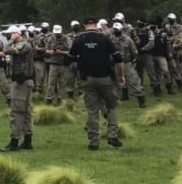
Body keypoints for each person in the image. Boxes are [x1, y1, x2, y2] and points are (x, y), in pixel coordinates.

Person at [69, 19, 125, 151]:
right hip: (105, 78)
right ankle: (112, 135)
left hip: (87, 79)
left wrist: (78, 69)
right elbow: (118, 59)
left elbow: (70, 59)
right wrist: (121, 76)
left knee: (92, 110)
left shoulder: (79, 40)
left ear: (84, 26)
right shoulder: (104, 39)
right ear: (96, 26)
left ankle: (94, 141)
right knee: (112, 106)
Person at [0, 28, 35, 152]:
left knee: (16, 112)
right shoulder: (24, 45)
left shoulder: (23, 45)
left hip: (21, 83)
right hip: (25, 82)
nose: (9, 36)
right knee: (26, 112)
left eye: (11, 34)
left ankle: (14, 141)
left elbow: (6, 50)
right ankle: (27, 140)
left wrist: (12, 40)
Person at [111, 22, 146, 108]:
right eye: (115, 30)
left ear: (121, 30)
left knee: (134, 81)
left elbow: (134, 51)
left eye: (118, 30)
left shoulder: (128, 39)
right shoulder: (110, 39)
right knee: (114, 83)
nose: (116, 31)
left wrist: (134, 61)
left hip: (126, 63)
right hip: (114, 64)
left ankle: (141, 100)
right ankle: (113, 102)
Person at [44, 25, 72, 105]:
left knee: (62, 83)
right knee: (51, 83)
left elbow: (71, 51)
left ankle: (60, 99)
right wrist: (50, 52)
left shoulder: (67, 39)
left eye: (58, 33)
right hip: (53, 64)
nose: (57, 35)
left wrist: (61, 52)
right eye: (56, 33)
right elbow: (46, 50)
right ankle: (49, 99)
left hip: (64, 64)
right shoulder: (50, 39)